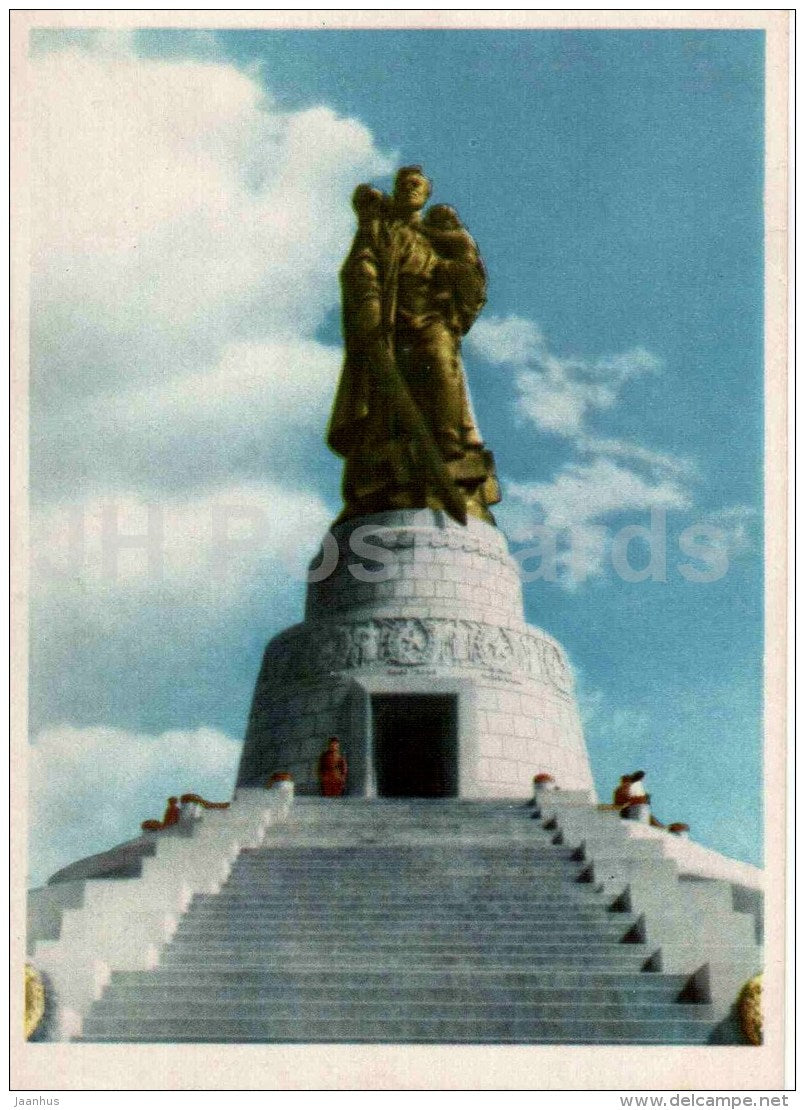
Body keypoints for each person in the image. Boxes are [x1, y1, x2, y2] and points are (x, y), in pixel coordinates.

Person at [326, 165, 500, 522]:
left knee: (440, 363)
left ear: (427, 193)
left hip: (432, 317)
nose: (410, 190)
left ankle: (449, 442)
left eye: (417, 185)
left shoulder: (437, 233)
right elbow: (362, 265)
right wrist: (371, 306)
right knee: (387, 395)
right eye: (404, 184)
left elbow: (469, 279)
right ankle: (391, 457)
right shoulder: (382, 229)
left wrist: (458, 266)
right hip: (391, 322)